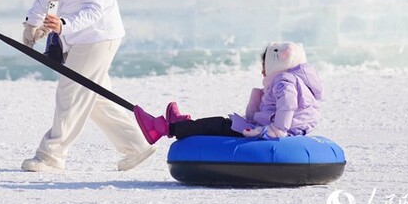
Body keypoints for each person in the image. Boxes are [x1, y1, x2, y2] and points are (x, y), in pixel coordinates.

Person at [20, 0, 155, 172]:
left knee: (70, 93)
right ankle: (137, 146)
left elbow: (95, 9)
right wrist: (32, 24)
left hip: (97, 36)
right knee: (93, 98)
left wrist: (64, 25)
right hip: (75, 37)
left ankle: (51, 156)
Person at [134, 42, 323, 144]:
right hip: (269, 129)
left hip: (269, 133)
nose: (262, 72)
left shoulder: (283, 81)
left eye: (264, 67)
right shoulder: (296, 80)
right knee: (220, 125)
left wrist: (277, 130)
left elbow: (288, 105)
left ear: (276, 63)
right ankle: (182, 125)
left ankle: (165, 129)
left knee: (217, 124)